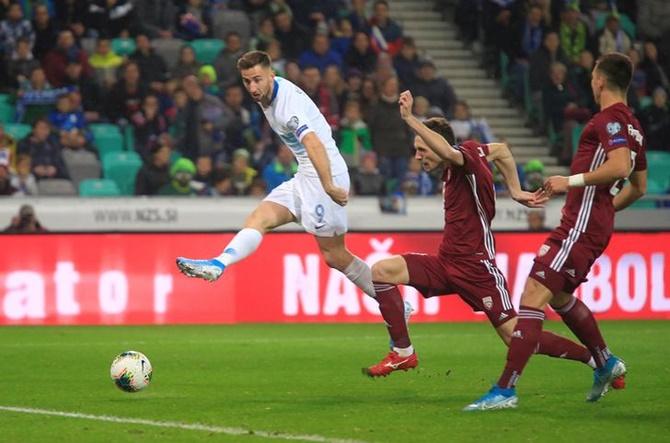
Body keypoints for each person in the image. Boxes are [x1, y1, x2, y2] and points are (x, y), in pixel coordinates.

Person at [365, 91, 603, 382]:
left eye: (422, 149)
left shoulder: (462, 160)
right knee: (381, 271)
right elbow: (501, 150)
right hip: (446, 263)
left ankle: (594, 359)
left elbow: (455, 152)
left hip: (477, 269)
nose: (418, 156)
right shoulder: (471, 156)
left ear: (438, 145)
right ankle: (403, 352)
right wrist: (514, 191)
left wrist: (409, 118)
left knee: (515, 337)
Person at [466, 52, 647, 411]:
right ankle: (606, 361)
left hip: (579, 225)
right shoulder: (634, 126)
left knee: (533, 296)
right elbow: (639, 186)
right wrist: (605, 210)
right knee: (560, 297)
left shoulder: (610, 120)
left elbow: (620, 166)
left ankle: (505, 390)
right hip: (592, 223)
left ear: (599, 80)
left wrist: (570, 182)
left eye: (593, 76)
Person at [176, 50, 378, 304]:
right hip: (306, 172)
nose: (252, 86)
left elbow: (313, 143)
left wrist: (328, 185)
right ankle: (218, 264)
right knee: (260, 218)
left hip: (324, 172)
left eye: (257, 79)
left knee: (335, 255)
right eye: (247, 80)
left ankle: (391, 300)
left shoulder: (285, 107)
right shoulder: (267, 94)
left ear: (272, 75)